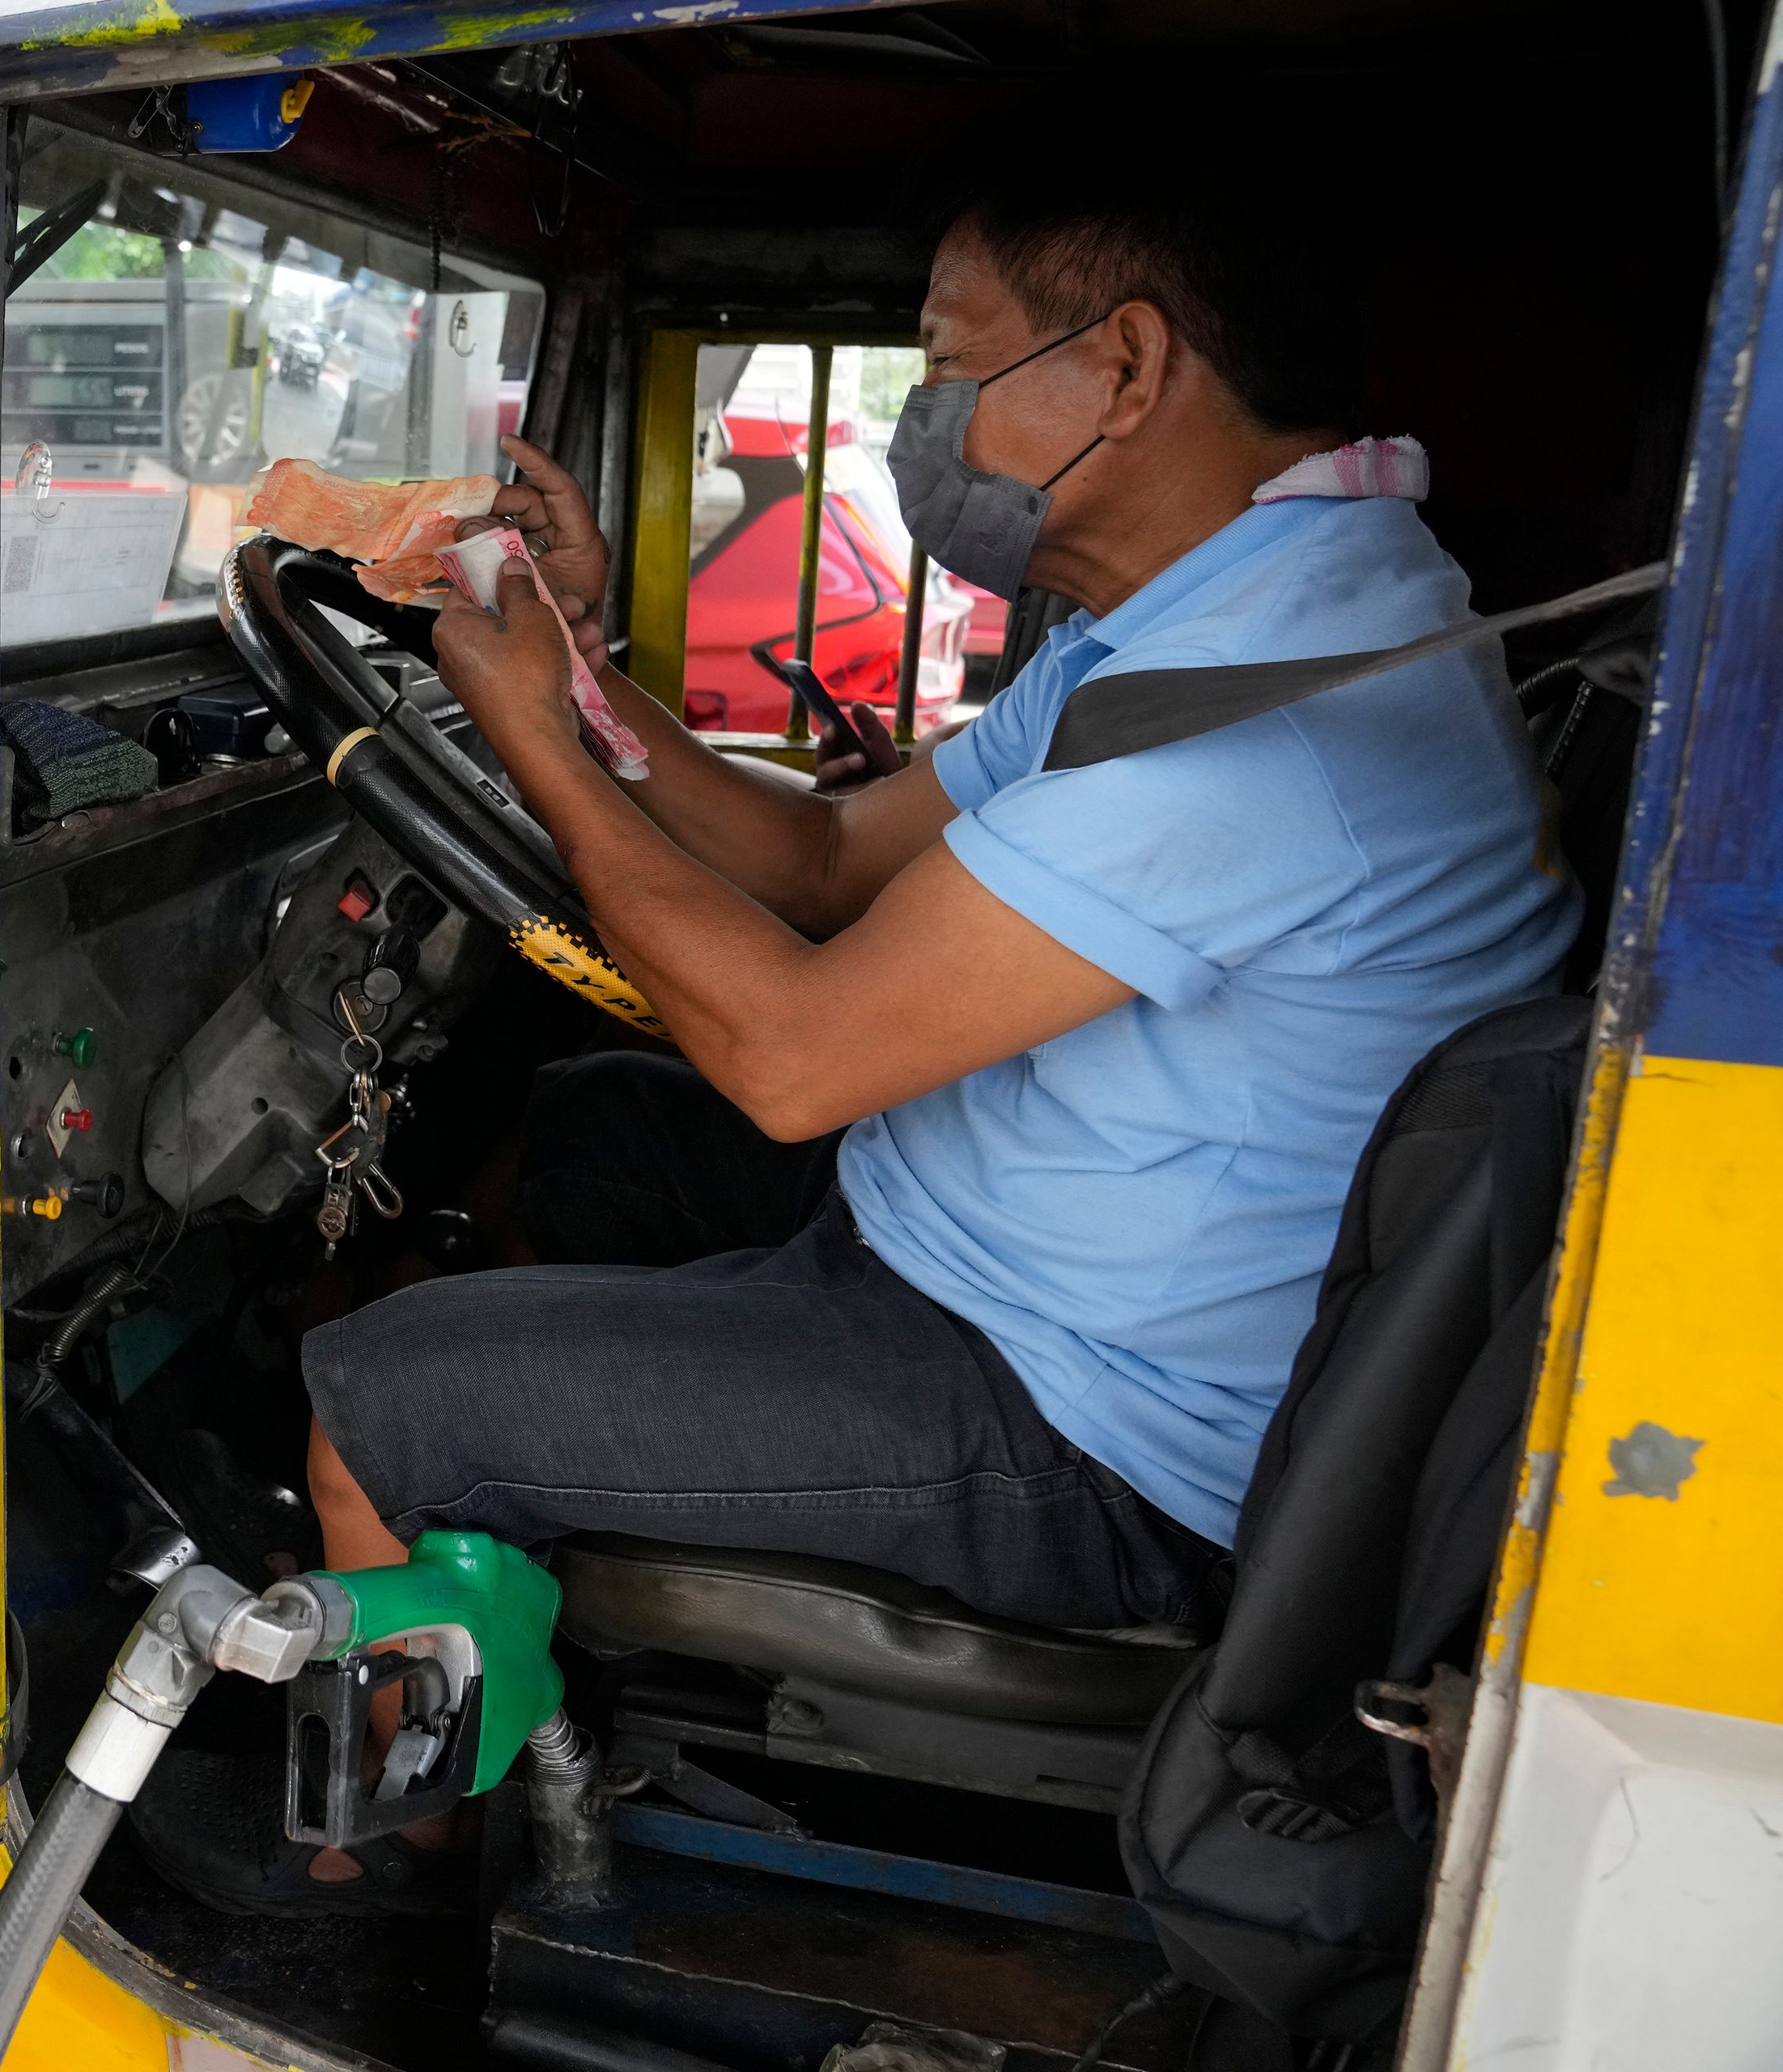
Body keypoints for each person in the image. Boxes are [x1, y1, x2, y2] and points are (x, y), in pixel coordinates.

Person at [129, 146, 1577, 1914]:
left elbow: (792, 1051)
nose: (931, 421)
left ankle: (388, 1872)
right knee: (581, 1125)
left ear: (1121, 370)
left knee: (377, 1396)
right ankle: (513, 1573)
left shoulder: (1260, 731)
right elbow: (821, 856)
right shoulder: (1222, 619)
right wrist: (577, 674)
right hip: (992, 1240)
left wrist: (529, 743)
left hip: (1090, 1421)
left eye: (951, 369)